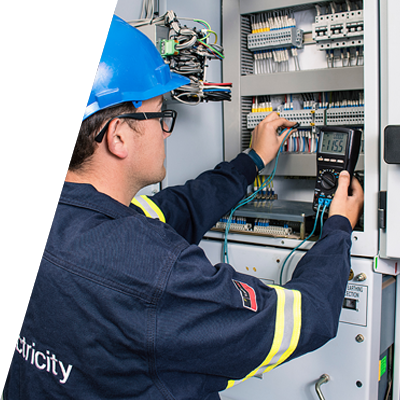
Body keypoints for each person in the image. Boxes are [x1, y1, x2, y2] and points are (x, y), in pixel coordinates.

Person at [3, 12, 363, 400]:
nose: (165, 129)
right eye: (161, 115)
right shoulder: (156, 276)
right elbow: (307, 318)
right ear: (119, 135)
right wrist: (339, 227)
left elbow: (178, 209)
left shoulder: (40, 221)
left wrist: (252, 161)